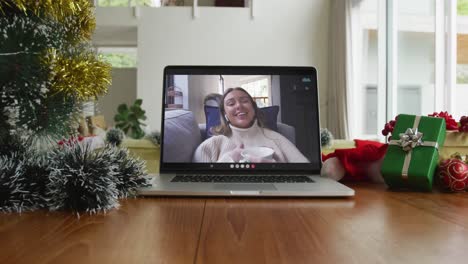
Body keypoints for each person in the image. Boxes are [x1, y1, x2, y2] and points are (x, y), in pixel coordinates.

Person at [193, 87, 309, 163]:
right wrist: (230, 158)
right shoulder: (213, 144)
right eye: (231, 103)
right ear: (225, 114)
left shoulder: (277, 139)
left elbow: (305, 168)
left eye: (244, 101)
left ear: (253, 108)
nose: (239, 106)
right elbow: (198, 183)